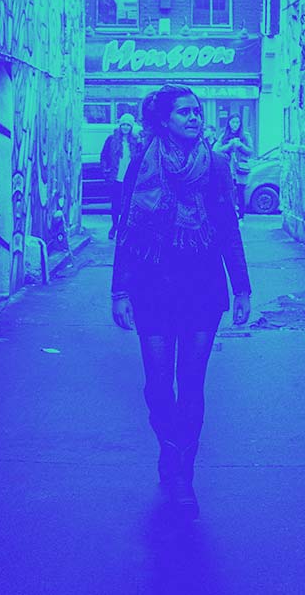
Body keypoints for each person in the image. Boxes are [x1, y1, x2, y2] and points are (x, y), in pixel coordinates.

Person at [110, 84, 252, 518]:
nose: (194, 117)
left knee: (191, 385)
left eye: (197, 111)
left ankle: (183, 475)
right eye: (184, 112)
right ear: (164, 120)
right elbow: (126, 229)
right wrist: (119, 291)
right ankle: (168, 448)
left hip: (202, 290)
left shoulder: (217, 165)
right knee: (157, 385)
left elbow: (228, 227)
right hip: (152, 288)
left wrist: (242, 288)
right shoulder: (142, 162)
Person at [99, 114, 140, 240]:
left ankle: (123, 229)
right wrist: (105, 171)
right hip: (115, 177)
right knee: (115, 204)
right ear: (120, 125)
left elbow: (139, 160)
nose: (125, 127)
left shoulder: (136, 142)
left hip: (130, 179)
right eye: (123, 124)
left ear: (131, 127)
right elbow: (104, 156)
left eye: (128, 125)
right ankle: (114, 226)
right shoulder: (111, 139)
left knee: (128, 205)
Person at [212, 117, 254, 209]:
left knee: (240, 192)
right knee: (229, 191)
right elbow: (216, 150)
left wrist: (241, 146)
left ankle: (241, 214)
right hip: (228, 168)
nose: (235, 124)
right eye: (233, 122)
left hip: (241, 168)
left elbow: (250, 151)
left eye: (237, 122)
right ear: (229, 123)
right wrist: (229, 145)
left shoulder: (246, 136)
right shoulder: (224, 136)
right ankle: (232, 212)